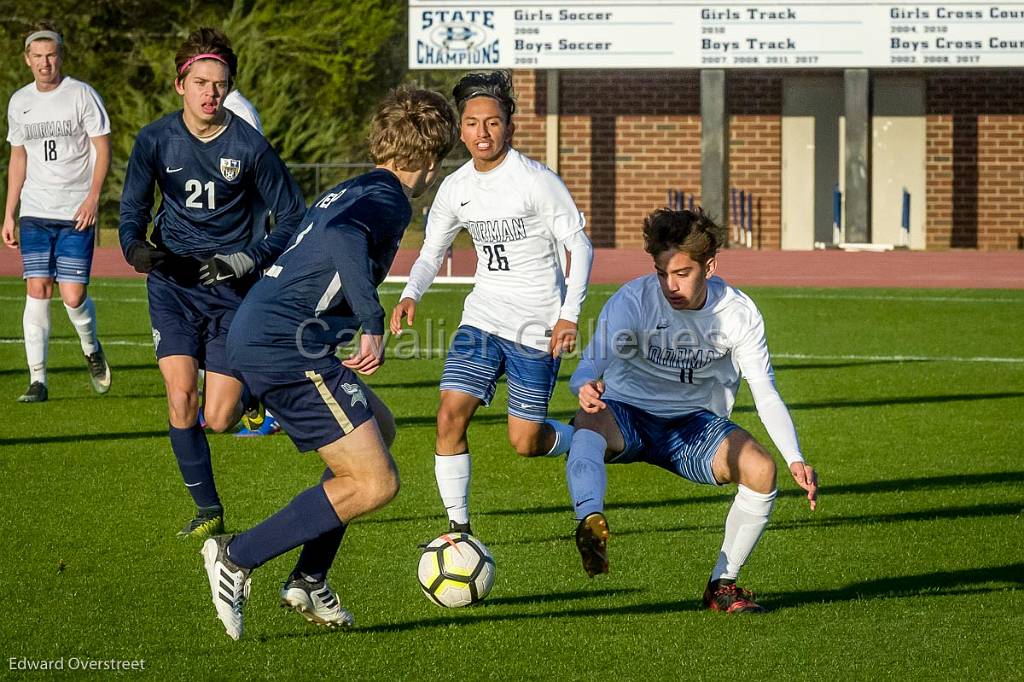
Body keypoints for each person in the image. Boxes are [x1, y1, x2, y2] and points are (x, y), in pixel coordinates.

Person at [200, 86, 459, 640]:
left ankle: (309, 578)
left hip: (274, 334)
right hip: (286, 345)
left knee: (379, 430)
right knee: (376, 482)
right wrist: (371, 322)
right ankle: (237, 557)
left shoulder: (352, 186)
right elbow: (342, 238)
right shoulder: (388, 198)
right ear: (433, 162)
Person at [566, 208, 819, 613]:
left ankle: (723, 585)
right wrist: (585, 385)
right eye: (662, 272)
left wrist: (795, 457)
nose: (670, 285)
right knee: (588, 420)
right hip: (627, 412)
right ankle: (591, 524)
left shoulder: (738, 314)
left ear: (710, 266)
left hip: (693, 426)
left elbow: (765, 392)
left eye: (682, 273)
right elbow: (587, 366)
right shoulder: (633, 299)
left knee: (761, 470)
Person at [118, 27, 305, 539]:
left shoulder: (250, 146)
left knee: (220, 418)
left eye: (219, 85)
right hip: (173, 284)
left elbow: (292, 216)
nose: (210, 94)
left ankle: (256, 389)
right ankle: (208, 511)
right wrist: (135, 245)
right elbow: (133, 207)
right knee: (181, 398)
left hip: (230, 292)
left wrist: (249, 259)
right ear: (180, 84)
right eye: (200, 82)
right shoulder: (155, 139)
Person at [390, 70, 593, 538]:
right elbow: (431, 252)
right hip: (481, 317)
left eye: (493, 122)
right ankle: (458, 531)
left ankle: (581, 437)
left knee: (525, 441)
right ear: (460, 129)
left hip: (535, 326)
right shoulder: (456, 187)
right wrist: (409, 293)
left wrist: (568, 315)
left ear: (510, 127)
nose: (482, 132)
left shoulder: (536, 181)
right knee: (448, 414)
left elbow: (579, 248)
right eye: (472, 123)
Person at [2, 23, 112, 403]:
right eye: (38, 57)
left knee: (73, 295)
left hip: (75, 210)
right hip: (35, 210)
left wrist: (93, 197)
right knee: (37, 288)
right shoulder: (19, 102)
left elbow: (102, 148)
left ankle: (91, 348)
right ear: (27, 60)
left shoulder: (82, 95)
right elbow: (18, 158)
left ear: (60, 56)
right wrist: (9, 213)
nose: (45, 63)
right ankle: (38, 380)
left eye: (51, 55)